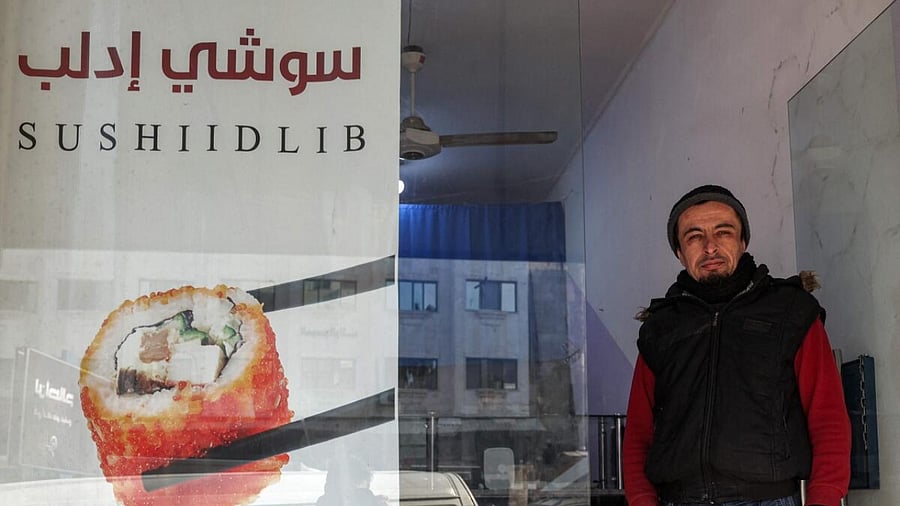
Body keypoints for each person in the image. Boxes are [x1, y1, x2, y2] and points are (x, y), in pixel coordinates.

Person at [622, 185, 851, 506]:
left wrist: (824, 497)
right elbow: (638, 433)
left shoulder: (791, 311)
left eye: (723, 232)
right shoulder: (660, 327)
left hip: (770, 500)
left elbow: (828, 416)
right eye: (694, 236)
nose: (710, 247)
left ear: (743, 242)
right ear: (679, 252)